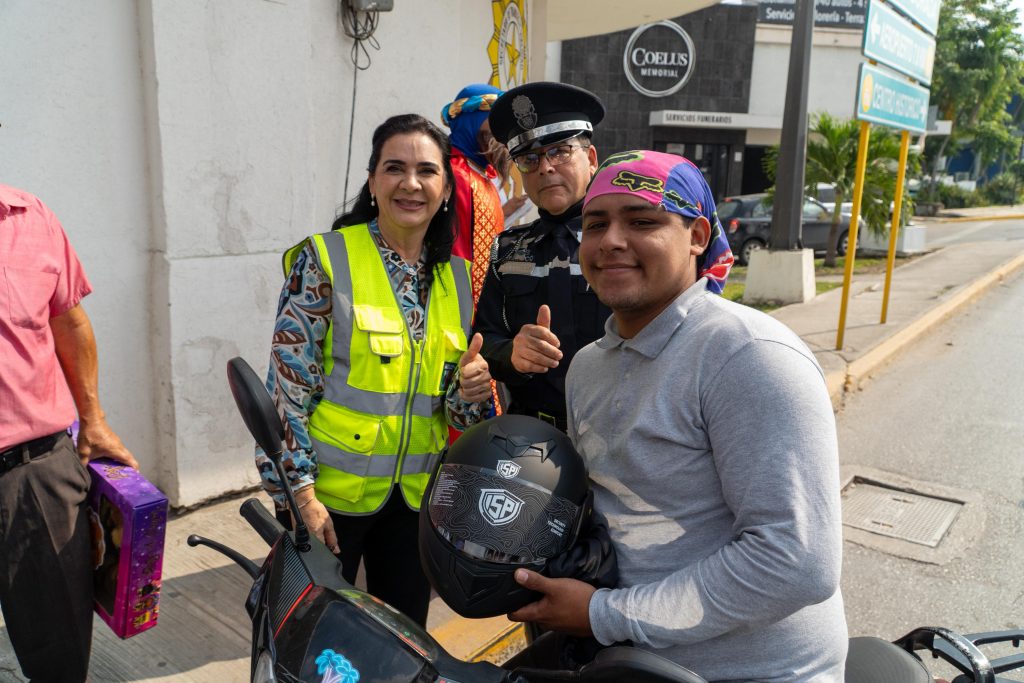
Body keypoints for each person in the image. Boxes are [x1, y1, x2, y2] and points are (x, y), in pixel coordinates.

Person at [507, 151, 847, 681]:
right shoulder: (588, 366)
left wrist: (601, 614)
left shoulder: (748, 355)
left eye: (642, 221)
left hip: (750, 672)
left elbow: (796, 563)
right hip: (623, 655)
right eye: (595, 224)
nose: (611, 240)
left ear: (697, 236)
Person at [257, 114, 492, 627]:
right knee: (310, 637)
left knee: (401, 642)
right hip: (328, 501)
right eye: (394, 168)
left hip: (414, 503)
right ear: (372, 181)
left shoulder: (457, 278)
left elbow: (455, 409)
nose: (411, 183)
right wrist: (299, 495)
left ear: (446, 190)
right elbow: (286, 391)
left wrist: (472, 391)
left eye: (426, 171)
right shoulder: (327, 258)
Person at [0, 183, 138, 682]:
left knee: (59, 652)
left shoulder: (29, 216)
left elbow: (69, 323)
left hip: (35, 474)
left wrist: (93, 418)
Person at [473, 82, 609, 431]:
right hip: (531, 438)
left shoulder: (623, 244)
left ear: (591, 159)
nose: (545, 168)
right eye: (529, 159)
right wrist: (512, 355)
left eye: (560, 151)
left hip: (618, 435)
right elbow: (484, 339)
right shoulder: (507, 249)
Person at [441, 83, 526, 300]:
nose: (505, 134)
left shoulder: (482, 174)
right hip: (454, 300)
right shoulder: (452, 174)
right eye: (497, 122)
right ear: (473, 121)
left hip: (481, 303)